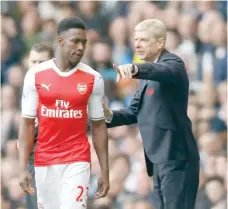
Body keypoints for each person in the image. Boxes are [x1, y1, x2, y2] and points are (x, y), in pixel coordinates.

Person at [103, 19, 200, 209]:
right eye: (136, 39)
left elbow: (163, 71)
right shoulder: (146, 79)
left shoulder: (173, 63)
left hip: (176, 158)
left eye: (144, 40)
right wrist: (107, 114)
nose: (137, 44)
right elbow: (133, 112)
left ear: (160, 43)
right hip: (157, 161)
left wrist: (135, 69)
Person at [18, 17, 109, 209]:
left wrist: (105, 171)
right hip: (44, 160)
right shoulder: (35, 75)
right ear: (60, 41)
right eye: (75, 41)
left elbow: (99, 126)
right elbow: (26, 124)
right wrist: (22, 167)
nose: (81, 47)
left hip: (77, 159)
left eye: (84, 42)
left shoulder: (93, 78)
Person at [25, 43, 54, 209]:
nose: (36, 67)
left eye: (41, 62)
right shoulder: (27, 88)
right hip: (32, 162)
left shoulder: (61, 90)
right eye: (33, 61)